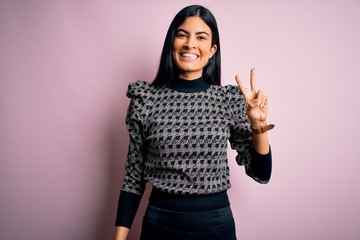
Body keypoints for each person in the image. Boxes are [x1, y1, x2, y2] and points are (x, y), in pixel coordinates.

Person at [114, 5, 274, 240]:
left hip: (216, 227)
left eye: (201, 37)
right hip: (159, 226)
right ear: (172, 43)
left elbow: (262, 173)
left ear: (212, 50)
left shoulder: (227, 99)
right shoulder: (146, 99)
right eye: (182, 35)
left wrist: (258, 125)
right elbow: (133, 177)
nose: (190, 44)